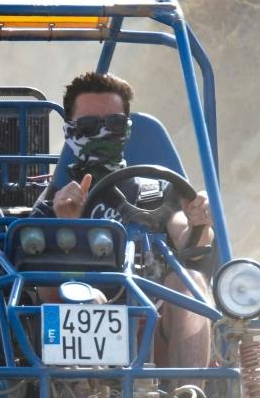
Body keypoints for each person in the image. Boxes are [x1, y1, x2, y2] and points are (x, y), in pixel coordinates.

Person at [33, 71, 215, 370]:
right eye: (90, 126)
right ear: (70, 133)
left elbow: (189, 238)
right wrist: (67, 226)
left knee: (190, 281)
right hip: (71, 337)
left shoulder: (157, 190)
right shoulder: (51, 205)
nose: (103, 134)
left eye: (114, 125)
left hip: (154, 323)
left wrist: (200, 220)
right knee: (83, 297)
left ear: (127, 130)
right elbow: (43, 292)